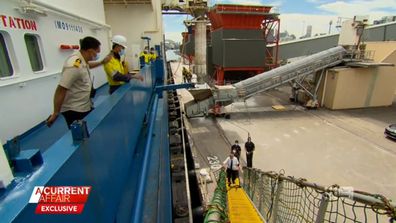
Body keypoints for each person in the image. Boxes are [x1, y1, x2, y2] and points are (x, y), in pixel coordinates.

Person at [46, 36, 108, 128]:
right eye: (97, 52)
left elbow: (87, 66)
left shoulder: (82, 60)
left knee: (90, 129)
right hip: (75, 109)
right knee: (81, 135)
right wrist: (55, 113)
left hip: (84, 105)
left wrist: (101, 62)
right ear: (90, 51)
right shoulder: (74, 65)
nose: (97, 55)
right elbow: (61, 89)